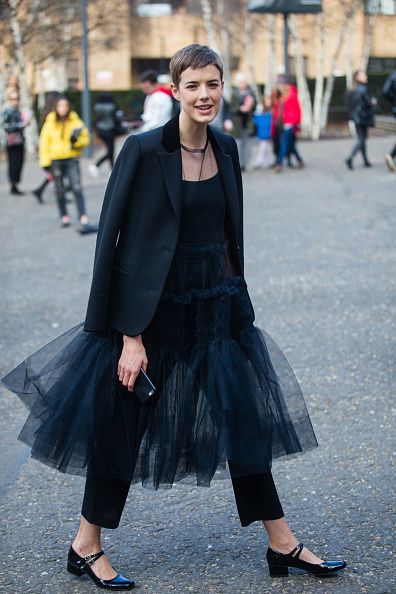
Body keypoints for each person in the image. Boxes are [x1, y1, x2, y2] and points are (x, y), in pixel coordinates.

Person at [2, 44, 346, 590]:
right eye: (193, 86)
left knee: (245, 421)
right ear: (174, 90)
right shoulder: (142, 151)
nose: (204, 95)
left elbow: (230, 234)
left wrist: (239, 302)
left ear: (221, 86)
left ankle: (282, 543)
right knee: (123, 427)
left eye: (213, 84)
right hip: (152, 314)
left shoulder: (229, 148)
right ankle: (85, 545)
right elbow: (112, 244)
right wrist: (126, 335)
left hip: (217, 309)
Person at [39, 96, 98, 233]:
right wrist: (45, 162)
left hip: (71, 158)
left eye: (65, 105)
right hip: (56, 159)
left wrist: (75, 142)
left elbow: (86, 139)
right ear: (56, 107)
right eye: (60, 105)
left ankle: (83, 216)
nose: (63, 108)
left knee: (77, 187)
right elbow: (44, 143)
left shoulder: (75, 120)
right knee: (59, 189)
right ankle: (64, 216)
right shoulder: (50, 122)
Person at [32, 91, 61, 204]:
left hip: (49, 152)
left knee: (55, 175)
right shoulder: (52, 118)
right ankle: (42, 191)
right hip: (52, 153)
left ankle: (39, 191)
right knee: (56, 174)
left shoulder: (45, 114)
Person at [272, 75, 304, 173]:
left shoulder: (292, 95)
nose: (279, 86)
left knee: (284, 144)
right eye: (278, 84)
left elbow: (297, 111)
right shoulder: (279, 96)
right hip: (280, 124)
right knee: (290, 144)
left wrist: (295, 124)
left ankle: (279, 164)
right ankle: (300, 161)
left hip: (289, 124)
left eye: (281, 84)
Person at [345, 70, 375, 170]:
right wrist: (373, 102)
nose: (365, 76)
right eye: (362, 75)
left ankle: (365, 160)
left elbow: (349, 105)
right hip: (363, 117)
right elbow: (369, 102)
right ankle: (350, 158)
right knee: (362, 139)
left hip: (356, 117)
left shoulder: (352, 89)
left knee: (362, 139)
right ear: (357, 77)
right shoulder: (364, 89)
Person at [89, 93, 123, 178]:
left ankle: (111, 170)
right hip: (109, 130)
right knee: (111, 151)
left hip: (100, 130)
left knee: (110, 150)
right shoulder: (112, 106)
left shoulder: (97, 106)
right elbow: (116, 119)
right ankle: (97, 165)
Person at [2, 90, 28, 195]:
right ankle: (13, 186)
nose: (15, 101)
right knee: (14, 165)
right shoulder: (7, 112)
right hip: (11, 143)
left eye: (17, 99)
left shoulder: (18, 111)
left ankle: (15, 185)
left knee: (19, 164)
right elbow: (5, 126)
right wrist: (21, 125)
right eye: (13, 99)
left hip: (19, 141)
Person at [230, 73, 256, 170]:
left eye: (244, 82)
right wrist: (241, 108)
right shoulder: (234, 94)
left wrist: (251, 105)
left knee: (247, 144)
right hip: (237, 123)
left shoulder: (251, 93)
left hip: (247, 123)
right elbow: (232, 108)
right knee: (238, 144)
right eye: (241, 82)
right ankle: (238, 163)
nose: (242, 84)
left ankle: (244, 164)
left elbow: (255, 106)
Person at [253, 96, 272, 169]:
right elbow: (256, 120)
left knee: (265, 147)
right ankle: (260, 161)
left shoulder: (271, 110)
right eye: (267, 101)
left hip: (268, 130)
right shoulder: (260, 110)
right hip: (262, 130)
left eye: (269, 101)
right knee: (263, 146)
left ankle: (265, 161)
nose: (268, 103)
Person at [382, 71, 396, 172]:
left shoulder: (393, 75)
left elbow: (385, 91)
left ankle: (391, 156)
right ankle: (391, 155)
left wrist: (394, 102)